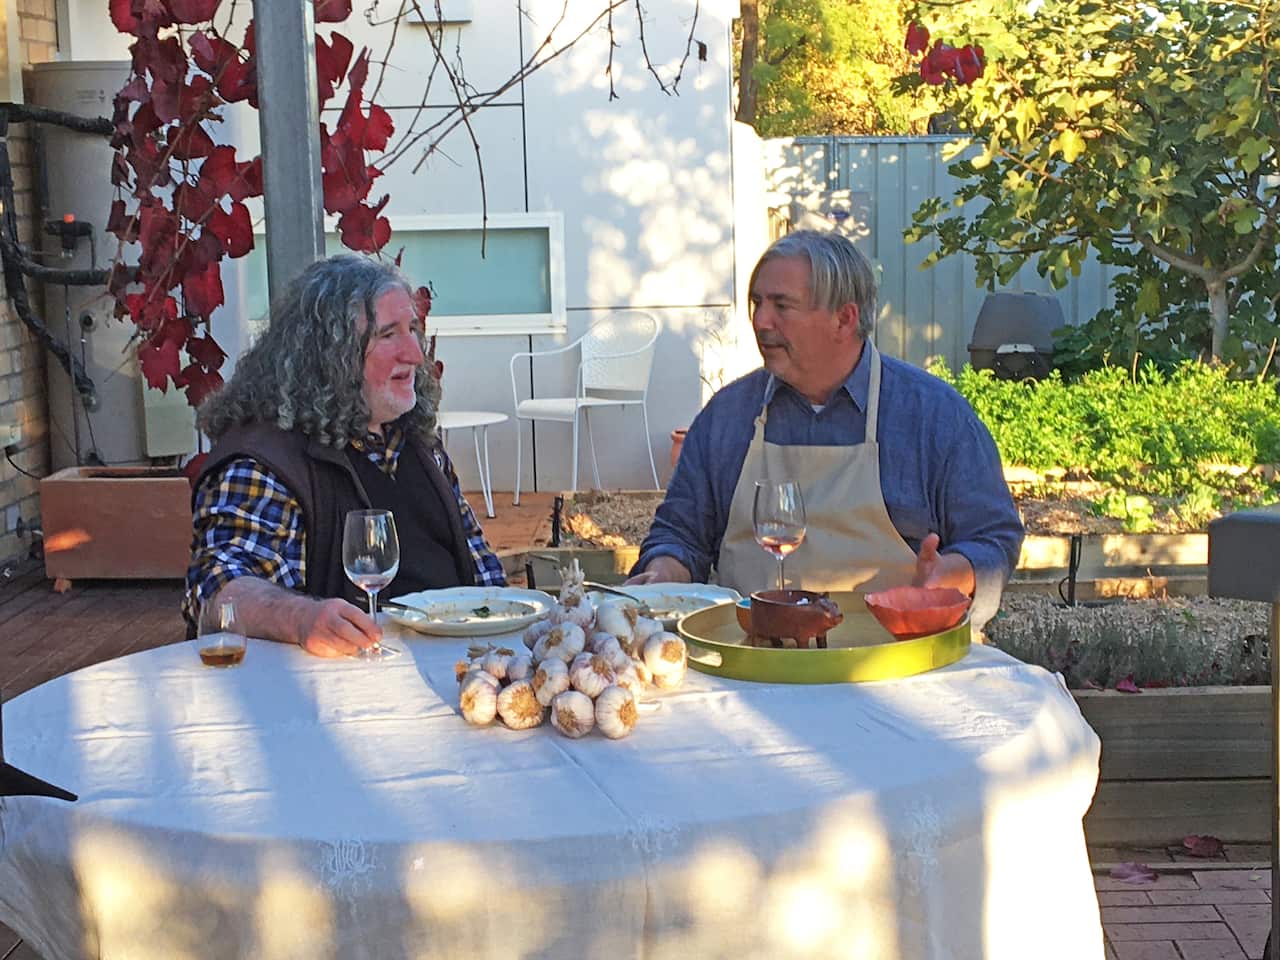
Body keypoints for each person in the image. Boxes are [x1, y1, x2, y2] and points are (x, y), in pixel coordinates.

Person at [629, 230, 1023, 633]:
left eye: (781, 305)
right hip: (754, 670)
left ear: (844, 318)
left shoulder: (933, 416)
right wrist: (662, 576)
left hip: (898, 671)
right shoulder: (727, 417)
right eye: (757, 303)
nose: (761, 321)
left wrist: (954, 572)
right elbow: (681, 534)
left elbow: (992, 537)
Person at [183, 255, 506, 657]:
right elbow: (217, 591)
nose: (414, 354)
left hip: (459, 675)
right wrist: (301, 619)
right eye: (388, 335)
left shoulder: (417, 446)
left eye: (413, 331)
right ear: (329, 356)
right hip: (336, 698)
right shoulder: (265, 462)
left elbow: (485, 577)